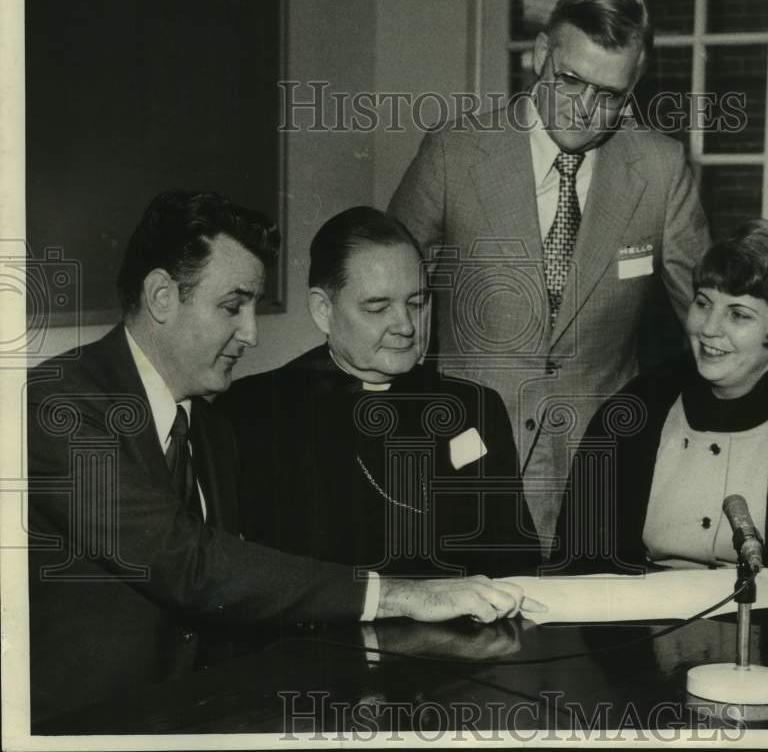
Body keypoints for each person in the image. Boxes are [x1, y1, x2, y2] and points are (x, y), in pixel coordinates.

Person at [27, 191, 540, 726]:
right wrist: (398, 594)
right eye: (233, 306)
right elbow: (191, 564)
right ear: (161, 296)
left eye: (417, 301)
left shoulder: (206, 419)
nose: (252, 333)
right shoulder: (54, 408)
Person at [388, 0, 710, 551]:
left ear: (634, 88)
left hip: (602, 471)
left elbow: (708, 317)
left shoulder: (660, 168)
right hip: (467, 465)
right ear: (541, 56)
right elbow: (386, 297)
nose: (586, 109)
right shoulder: (454, 152)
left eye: (609, 94)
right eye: (570, 81)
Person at [550, 220, 768, 596]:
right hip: (641, 636)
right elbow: (577, 563)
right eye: (703, 303)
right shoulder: (633, 409)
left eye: (738, 314)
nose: (709, 328)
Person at [215, 207, 542, 578]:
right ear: (323, 310)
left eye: (418, 303)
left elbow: (518, 564)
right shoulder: (252, 413)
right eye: (377, 307)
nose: (405, 325)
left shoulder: (475, 407)